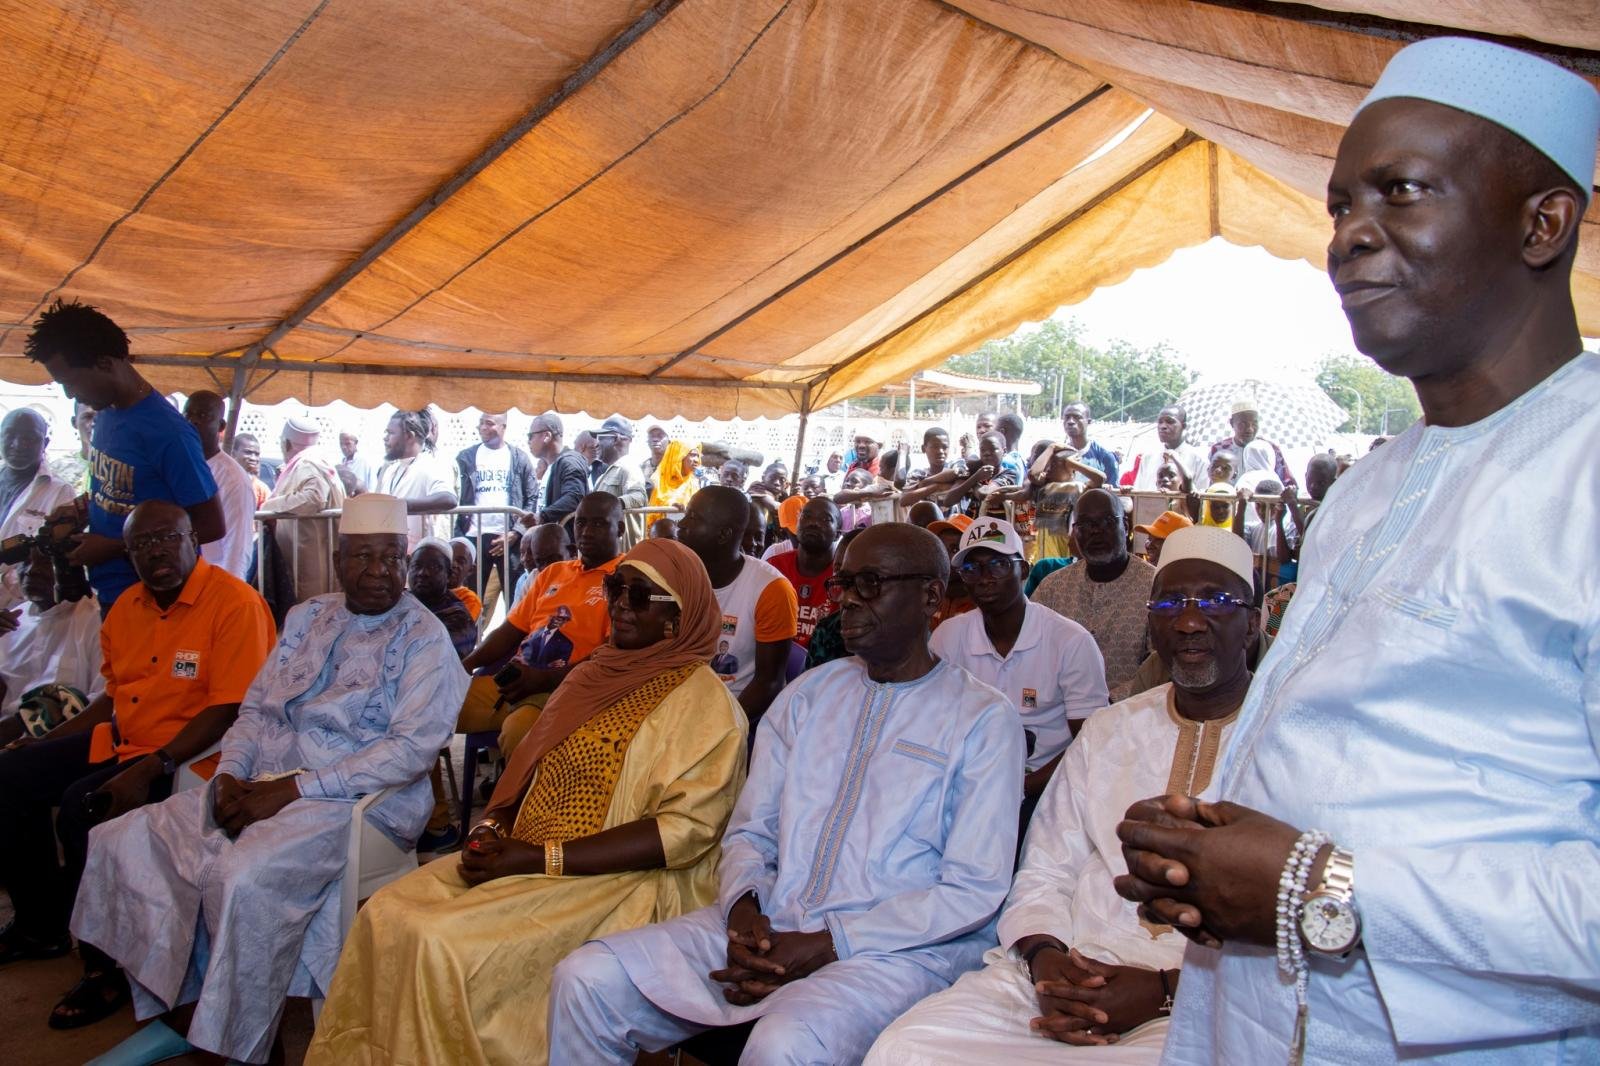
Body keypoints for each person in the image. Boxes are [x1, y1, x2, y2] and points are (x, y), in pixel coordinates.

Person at [1115, 39, 1600, 1064]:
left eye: (1402, 191)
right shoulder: (1372, 481)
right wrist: (1209, 861)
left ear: (1542, 224)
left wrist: (1317, 890)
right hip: (1246, 1020)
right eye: (1339, 205)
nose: (1347, 238)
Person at [548, 523, 1025, 1063]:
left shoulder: (983, 719)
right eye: (843, 583)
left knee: (783, 1045)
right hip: (771, 921)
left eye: (869, 583)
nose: (845, 599)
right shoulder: (807, 696)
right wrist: (745, 912)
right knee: (586, 978)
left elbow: (973, 888)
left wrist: (830, 943)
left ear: (931, 597)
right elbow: (751, 832)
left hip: (895, 952)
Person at [308, 539, 747, 1065]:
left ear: (678, 617)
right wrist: (492, 827)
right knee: (384, 914)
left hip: (623, 880)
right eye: (615, 589)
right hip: (528, 852)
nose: (621, 604)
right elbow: (528, 769)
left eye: (641, 595)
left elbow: (682, 832)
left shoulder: (705, 704)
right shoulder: (592, 674)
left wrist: (541, 858)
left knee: (443, 945)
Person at [72, 494, 468, 1065]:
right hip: (260, 782)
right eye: (362, 557)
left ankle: (236, 1045)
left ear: (406, 558)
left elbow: (409, 751)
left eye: (391, 557)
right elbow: (255, 711)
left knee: (241, 875)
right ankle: (184, 1013)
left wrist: (292, 789)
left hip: (355, 801)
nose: (378, 572)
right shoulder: (307, 616)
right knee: (126, 841)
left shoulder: (424, 638)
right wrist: (231, 774)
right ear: (338, 559)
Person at [870, 526, 1259, 1062]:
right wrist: (1046, 958)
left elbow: (1293, 929)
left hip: (1206, 996)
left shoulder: (1294, 740)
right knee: (908, 1048)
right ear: (1151, 624)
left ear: (1253, 623)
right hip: (1070, 963)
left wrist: (1167, 991)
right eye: (1169, 602)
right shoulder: (1108, 731)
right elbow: (1045, 870)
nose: (1189, 622)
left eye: (1215, 601)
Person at [0, 500, 273, 1027]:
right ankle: (41, 925)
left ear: (193, 538)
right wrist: (43, 743)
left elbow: (229, 708)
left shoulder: (234, 604)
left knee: (85, 807)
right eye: (143, 544)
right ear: (128, 553)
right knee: (11, 776)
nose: (157, 552)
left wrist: (152, 767)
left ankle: (107, 966)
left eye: (167, 538)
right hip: (125, 739)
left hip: (192, 755)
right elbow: (110, 696)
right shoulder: (126, 606)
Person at [422, 493, 627, 847]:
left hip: (566, 689)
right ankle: (437, 827)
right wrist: (460, 669)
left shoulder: (624, 580)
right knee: (422, 706)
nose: (587, 532)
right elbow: (510, 632)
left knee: (518, 733)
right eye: (581, 523)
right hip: (512, 680)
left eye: (598, 523)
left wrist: (544, 678)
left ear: (620, 529)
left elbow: (610, 659)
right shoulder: (553, 573)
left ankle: (527, 835)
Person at [24, 301, 226, 612]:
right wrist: (81, 508)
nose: (69, 395)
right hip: (112, 595)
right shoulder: (106, 414)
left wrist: (113, 548)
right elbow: (120, 492)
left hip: (159, 601)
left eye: (70, 382)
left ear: (105, 363)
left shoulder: (168, 433)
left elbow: (211, 525)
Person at [932, 517, 1107, 802]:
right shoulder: (948, 637)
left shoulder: (1070, 641)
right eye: (971, 569)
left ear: (1023, 569)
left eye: (999, 565)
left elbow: (1092, 740)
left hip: (1049, 788)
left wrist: (1022, 788)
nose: (985, 578)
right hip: (967, 784)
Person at [677, 486, 798, 727]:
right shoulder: (676, 576)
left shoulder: (772, 589)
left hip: (734, 714)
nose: (681, 524)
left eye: (693, 517)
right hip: (680, 707)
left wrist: (719, 729)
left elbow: (769, 683)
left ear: (723, 535)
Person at [1033, 488, 1156, 701]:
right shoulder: (1052, 587)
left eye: (1107, 522)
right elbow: (1029, 650)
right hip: (1056, 714)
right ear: (1074, 532)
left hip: (1128, 714)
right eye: (1085, 524)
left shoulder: (1155, 586)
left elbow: (1160, 665)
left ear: (1125, 527)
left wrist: (1104, 703)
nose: (1096, 531)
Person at [0, 541, 103, 718]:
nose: (32, 570)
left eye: (45, 562)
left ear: (70, 568)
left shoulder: (94, 619)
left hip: (58, 738)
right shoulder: (11, 621)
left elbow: (101, 701)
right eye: (26, 562)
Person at [454, 411, 538, 622]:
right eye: (480, 423)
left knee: (514, 598)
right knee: (469, 598)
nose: (482, 427)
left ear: (503, 427)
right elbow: (456, 495)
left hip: (508, 538)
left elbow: (531, 497)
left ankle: (512, 648)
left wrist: (516, 532)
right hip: (474, 536)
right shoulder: (466, 457)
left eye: (489, 423)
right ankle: (468, 644)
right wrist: (459, 536)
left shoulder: (518, 457)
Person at [256, 415, 347, 602]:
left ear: (287, 444)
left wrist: (270, 506)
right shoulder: (314, 461)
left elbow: (313, 498)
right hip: (312, 554)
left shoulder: (308, 463)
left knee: (311, 612)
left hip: (310, 560)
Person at [2, 409, 78, 614]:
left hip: (19, 614)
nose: (18, 444)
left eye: (29, 437)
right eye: (10, 434)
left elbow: (56, 558)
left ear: (45, 443)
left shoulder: (60, 492)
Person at [180, 391, 260, 581]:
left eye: (202, 416)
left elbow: (237, 549)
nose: (193, 421)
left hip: (212, 583)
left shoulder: (233, 479)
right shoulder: (181, 464)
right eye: (187, 415)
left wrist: (228, 594)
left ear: (220, 426)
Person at [373, 408, 458, 549]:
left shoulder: (431, 465)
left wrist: (401, 506)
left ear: (409, 436)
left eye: (391, 433)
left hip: (420, 558)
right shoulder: (390, 470)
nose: (385, 438)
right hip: (392, 554)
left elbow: (448, 499)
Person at [769, 496, 840, 649]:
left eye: (825, 519)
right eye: (806, 516)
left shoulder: (844, 577)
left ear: (838, 533)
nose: (813, 523)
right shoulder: (774, 567)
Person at [1205, 399, 1297, 491]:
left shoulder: (1269, 449)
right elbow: (1210, 482)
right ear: (1232, 423)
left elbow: (1287, 482)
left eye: (1254, 423)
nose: (1250, 429)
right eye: (1243, 424)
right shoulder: (1219, 449)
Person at [410, 538, 478, 659]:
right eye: (416, 566)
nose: (422, 573)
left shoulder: (458, 618)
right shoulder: (399, 602)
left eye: (434, 567)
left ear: (449, 574)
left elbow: (436, 659)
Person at [526, 412, 589, 528]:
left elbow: (574, 497)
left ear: (546, 436)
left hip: (564, 542)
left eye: (531, 436)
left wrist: (543, 516)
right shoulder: (552, 466)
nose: (528, 441)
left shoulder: (569, 462)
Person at [592, 415, 648, 544]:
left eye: (600, 438)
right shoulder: (606, 474)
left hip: (622, 554)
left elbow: (639, 497)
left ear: (616, 439)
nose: (595, 444)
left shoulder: (628, 467)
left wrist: (610, 504)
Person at [1129, 405, 1205, 491]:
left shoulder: (1198, 459)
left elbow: (1202, 497)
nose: (1163, 426)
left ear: (1183, 426)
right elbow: (1138, 492)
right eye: (1160, 422)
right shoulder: (1148, 458)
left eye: (1170, 422)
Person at [512, 522, 573, 605]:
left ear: (572, 552)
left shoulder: (582, 578)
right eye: (540, 562)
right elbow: (515, 616)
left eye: (553, 560)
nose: (547, 569)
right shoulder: (533, 577)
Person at [1061, 402, 1120, 486]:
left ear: (1089, 422)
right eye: (1067, 417)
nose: (1070, 421)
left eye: (1077, 417)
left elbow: (1113, 494)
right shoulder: (1058, 456)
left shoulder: (1105, 457)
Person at [647, 438, 701, 528]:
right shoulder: (657, 480)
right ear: (679, 456)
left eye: (697, 456)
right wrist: (671, 507)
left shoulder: (693, 482)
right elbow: (650, 513)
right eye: (692, 455)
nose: (696, 460)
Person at [47, 400, 96, 493]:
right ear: (74, 422)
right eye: (88, 417)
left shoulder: (121, 467)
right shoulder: (56, 470)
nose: (94, 423)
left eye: (100, 418)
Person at [448, 536, 484, 622]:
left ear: (471, 569)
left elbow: (459, 629)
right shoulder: (430, 588)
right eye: (449, 558)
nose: (453, 564)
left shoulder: (470, 599)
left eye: (460, 561)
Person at [230, 433, 272, 506]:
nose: (253, 458)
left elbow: (267, 513)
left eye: (257, 454)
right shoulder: (222, 480)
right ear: (233, 453)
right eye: (248, 452)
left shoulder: (261, 489)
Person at [641, 424, 670, 489]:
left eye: (660, 436)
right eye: (652, 436)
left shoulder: (675, 467)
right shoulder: (641, 468)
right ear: (647, 441)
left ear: (669, 441)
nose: (655, 439)